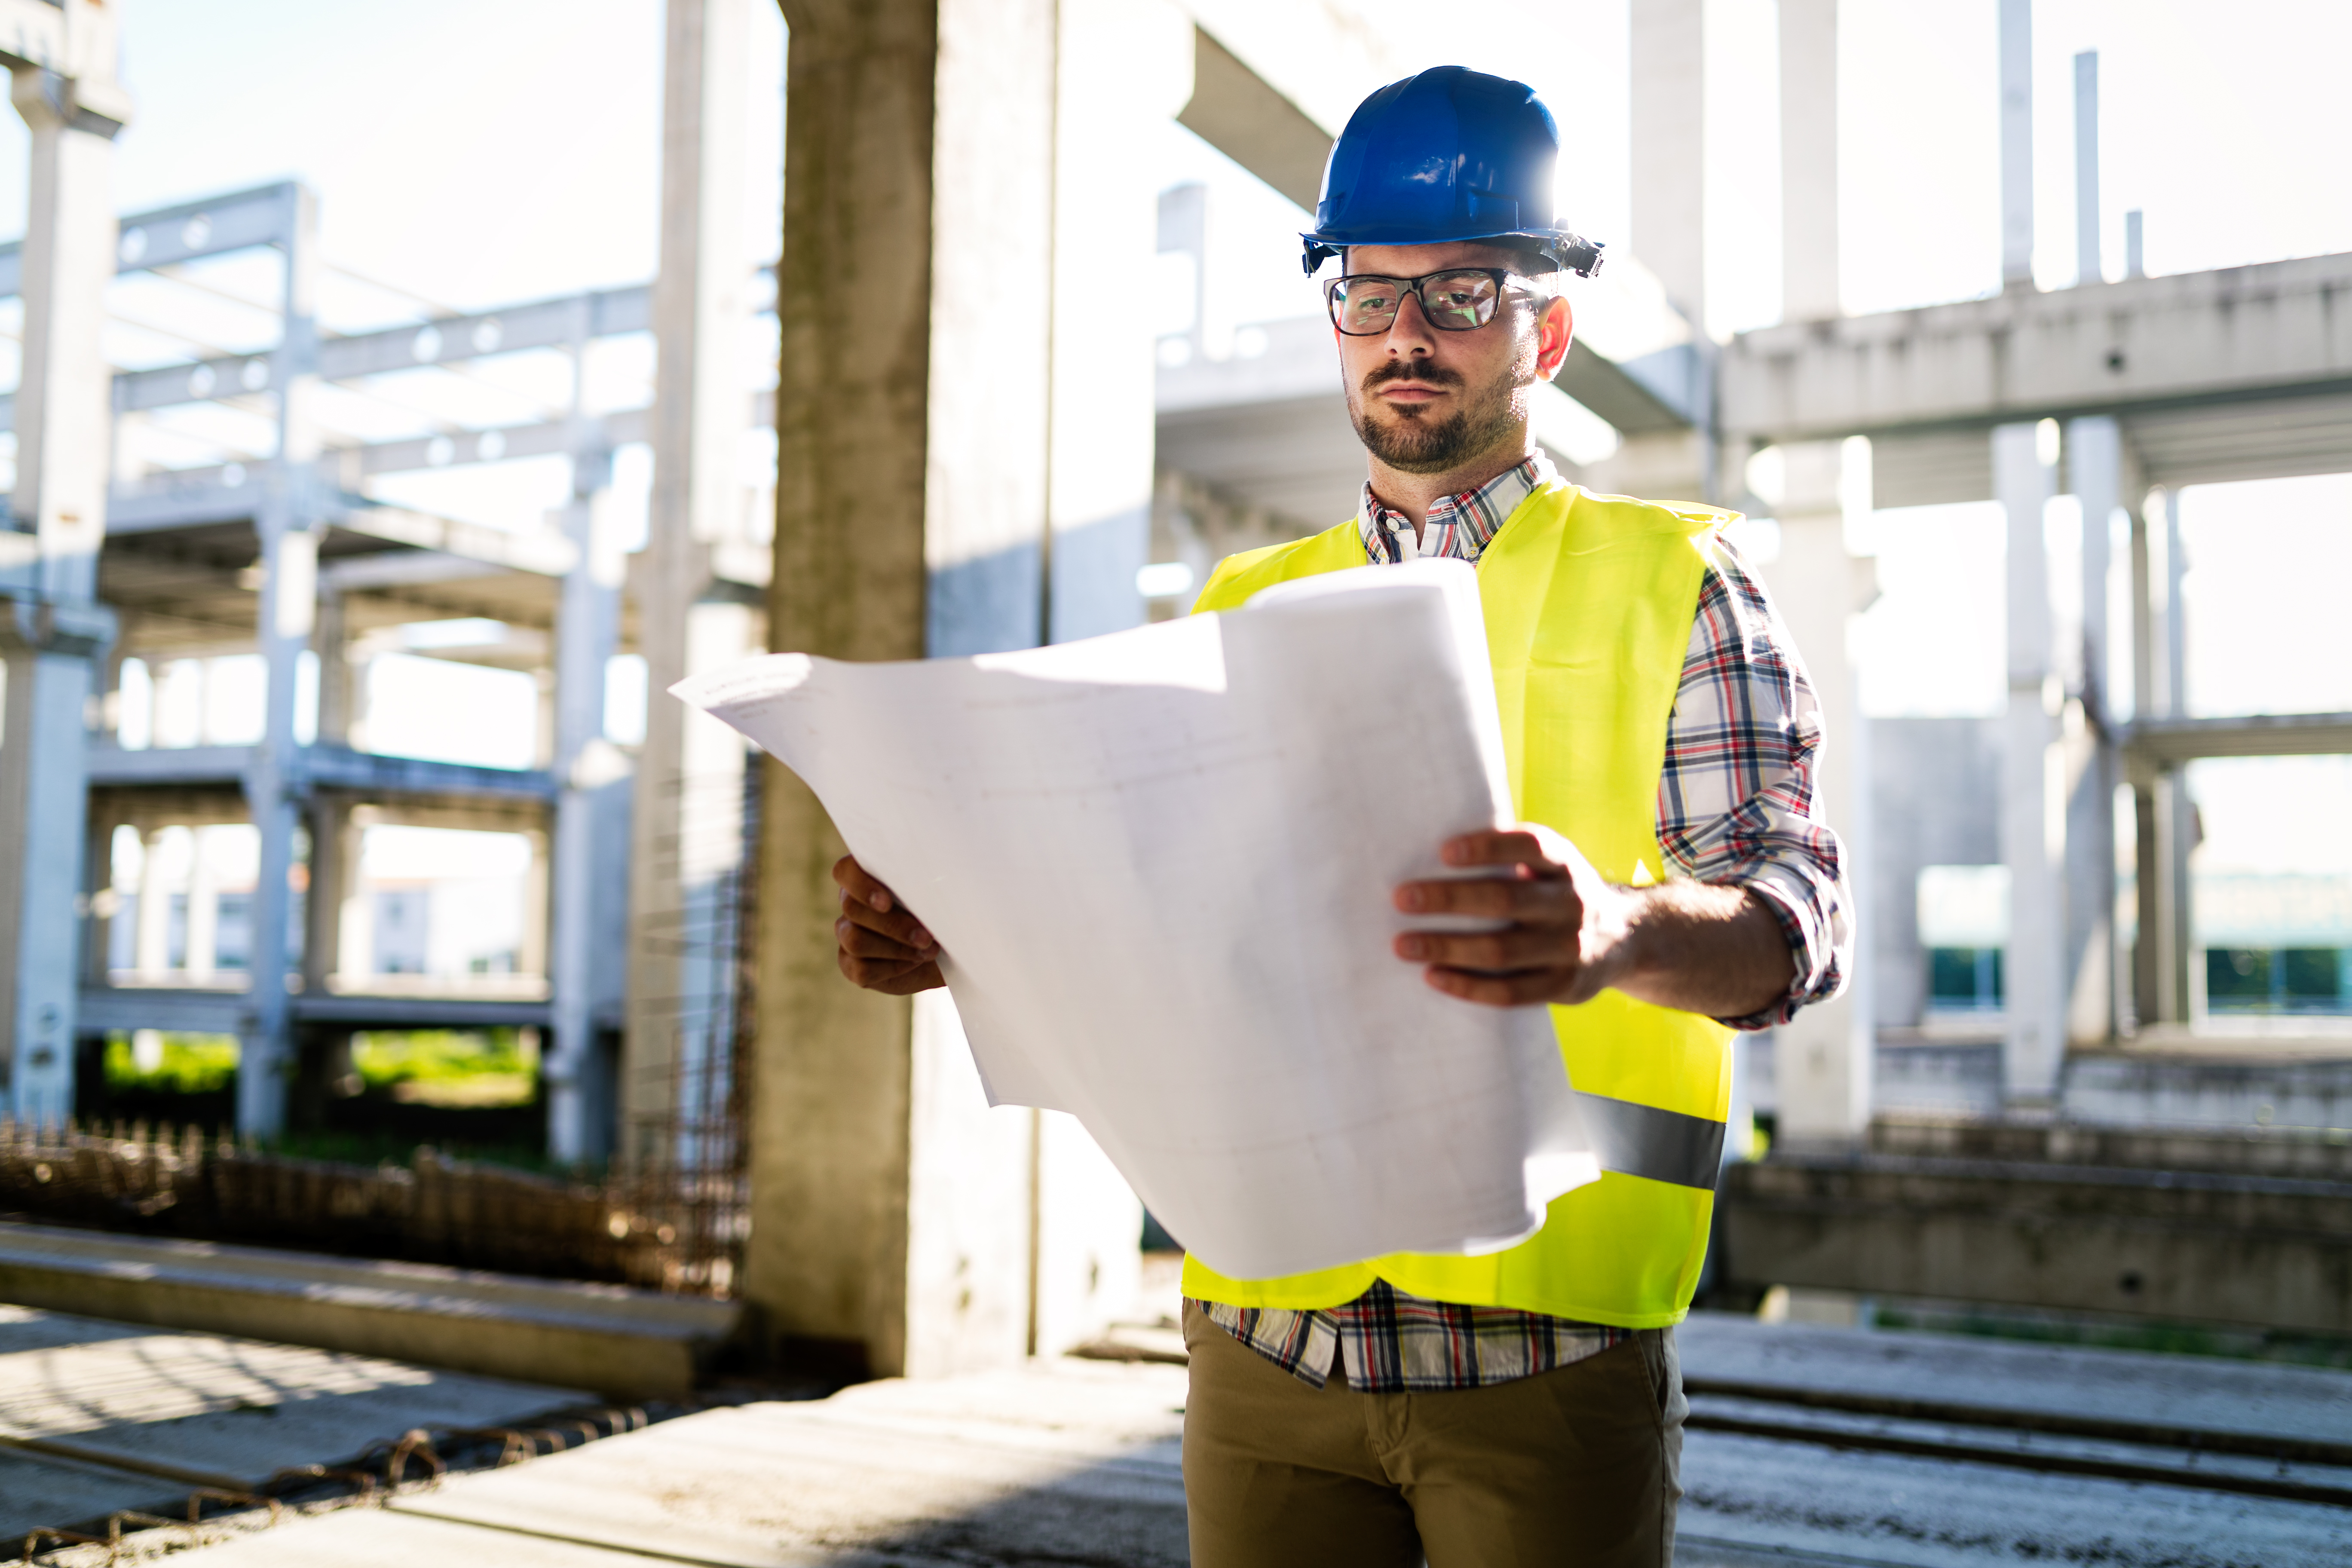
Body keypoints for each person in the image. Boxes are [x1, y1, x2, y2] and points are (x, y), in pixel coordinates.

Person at [830, 64, 1850, 1568]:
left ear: (1546, 329)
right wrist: (962, 923)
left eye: (1458, 294)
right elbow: (1147, 924)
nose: (1406, 338)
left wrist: (1619, 929)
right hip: (1262, 1353)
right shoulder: (1241, 603)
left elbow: (1798, 925)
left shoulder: (1676, 582)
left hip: (1545, 1367)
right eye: (1367, 297)